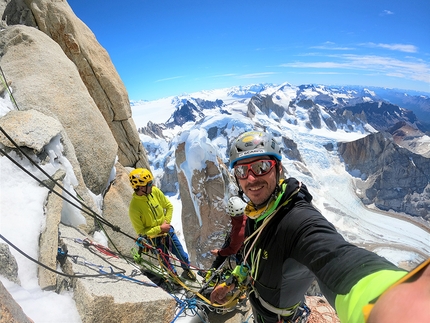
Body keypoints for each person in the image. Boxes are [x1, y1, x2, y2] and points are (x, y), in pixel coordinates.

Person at [210, 130, 430, 323]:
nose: (251, 179)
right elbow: (251, 262)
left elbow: (336, 258)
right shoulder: (256, 213)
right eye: (241, 171)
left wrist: (388, 300)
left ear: (278, 169)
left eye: (261, 167)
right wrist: (231, 283)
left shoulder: (297, 220)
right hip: (260, 308)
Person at [128, 168, 196, 281]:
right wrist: (160, 228)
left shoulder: (154, 192)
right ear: (140, 187)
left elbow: (168, 206)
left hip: (167, 232)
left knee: (182, 255)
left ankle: (187, 270)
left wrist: (166, 222)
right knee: (166, 262)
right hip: (154, 239)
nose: (152, 185)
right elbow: (142, 232)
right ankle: (175, 278)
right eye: (149, 184)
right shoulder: (134, 208)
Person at [209, 196, 247, 270]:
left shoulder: (239, 232)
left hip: (242, 253)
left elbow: (232, 250)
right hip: (242, 245)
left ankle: (212, 272)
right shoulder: (247, 216)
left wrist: (219, 253)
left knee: (240, 270)